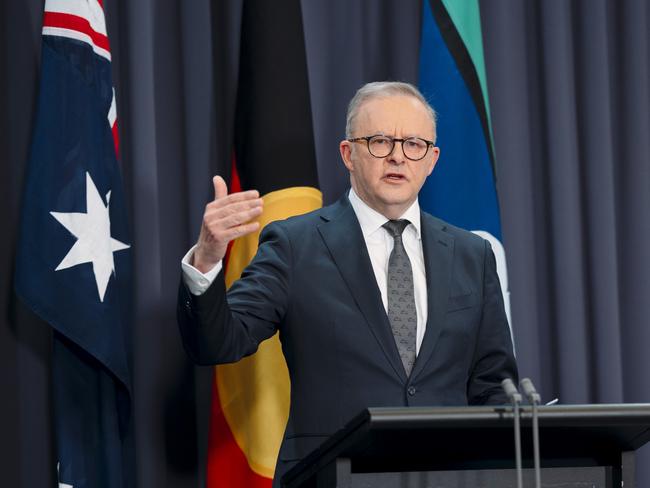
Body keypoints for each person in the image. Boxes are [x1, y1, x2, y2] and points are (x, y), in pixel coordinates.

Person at [177, 81, 518, 485]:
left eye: (414, 144)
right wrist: (207, 259)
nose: (397, 157)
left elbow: (494, 386)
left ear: (432, 159)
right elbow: (218, 342)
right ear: (348, 154)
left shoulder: (472, 255)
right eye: (379, 141)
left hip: (447, 477)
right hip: (332, 477)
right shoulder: (294, 244)